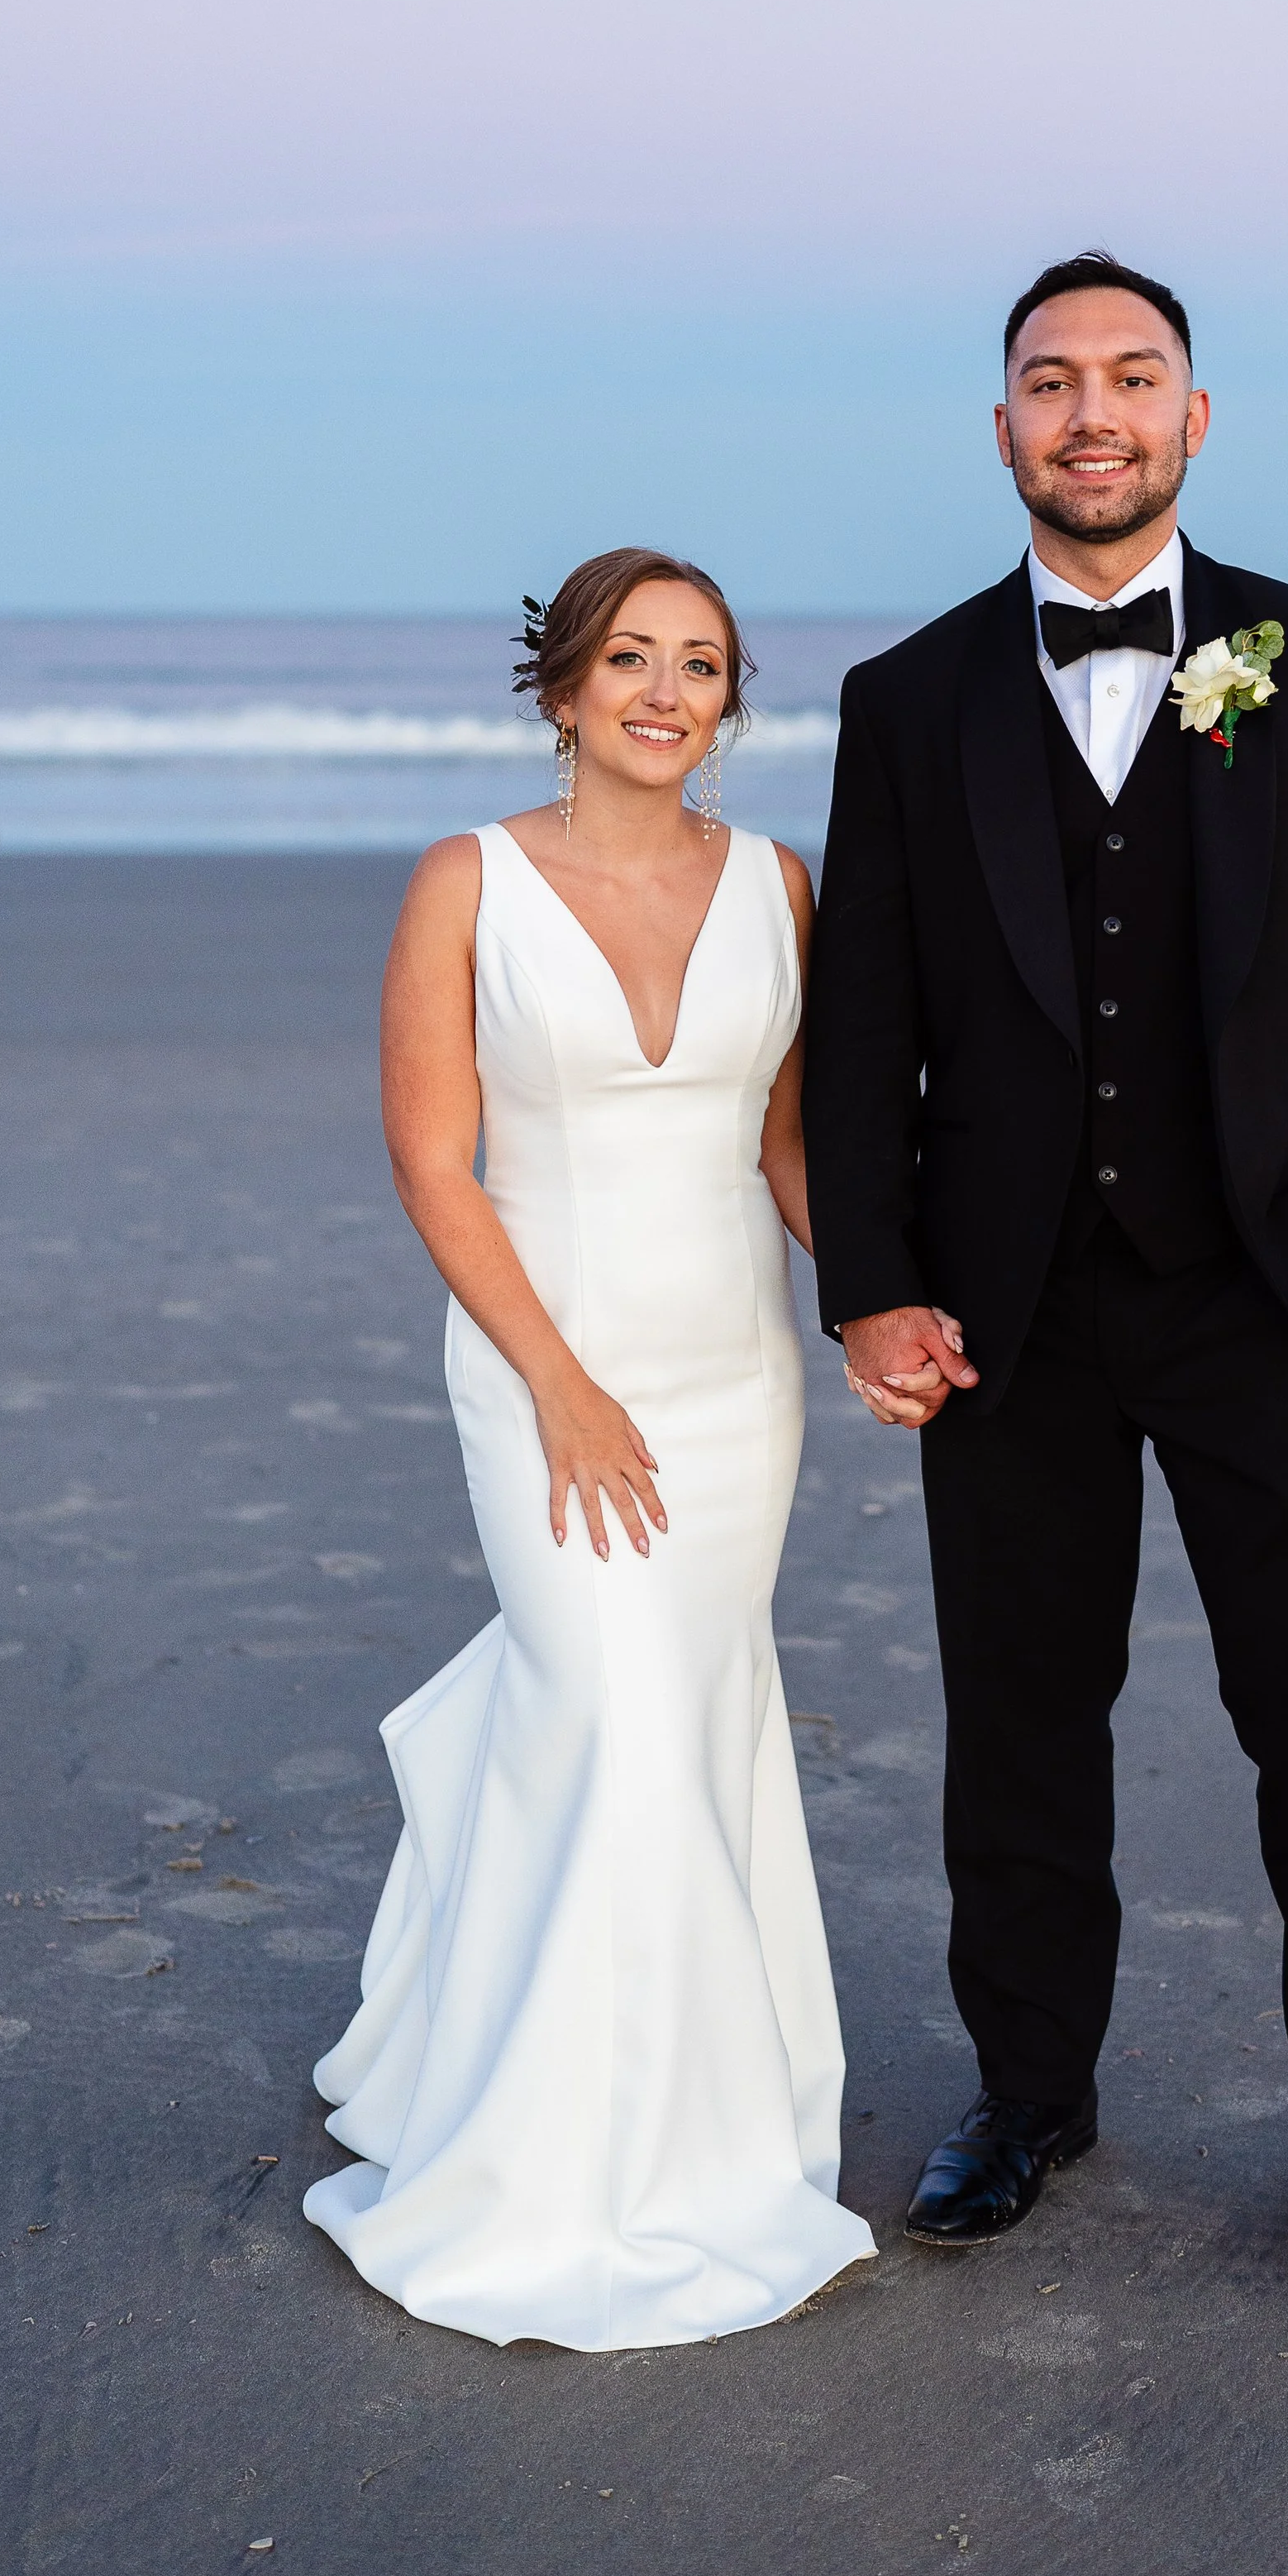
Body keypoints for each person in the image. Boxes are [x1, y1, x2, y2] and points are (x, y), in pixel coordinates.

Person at [804, 251, 1288, 2315]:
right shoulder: (908, 699)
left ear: (1193, 420)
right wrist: (869, 1282)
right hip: (1001, 1314)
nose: (1090, 412)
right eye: (1050, 380)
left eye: (1132, 378)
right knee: (1020, 1725)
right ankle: (1029, 2095)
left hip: (1276, 1295)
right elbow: (860, 1037)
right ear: (1002, 424)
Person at [303, 550, 875, 2349]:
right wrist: (553, 1379)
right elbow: (431, 1164)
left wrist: (873, 1302)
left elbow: (788, 1150)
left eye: (698, 665)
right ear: (560, 691)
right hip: (542, 1367)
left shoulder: (780, 887)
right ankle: (560, 2171)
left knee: (681, 1718)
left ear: (728, 704)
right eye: (627, 658)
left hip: (729, 1383)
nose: (661, 690)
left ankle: (699, 2138)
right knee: (612, 1710)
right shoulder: (465, 883)